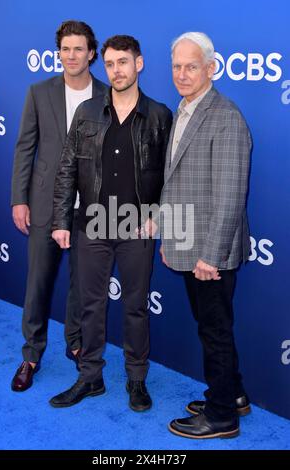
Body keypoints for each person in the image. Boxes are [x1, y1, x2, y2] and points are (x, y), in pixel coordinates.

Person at [49, 35, 172, 411]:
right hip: (91, 224)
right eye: (110, 64)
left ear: (139, 64)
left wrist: (158, 216)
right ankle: (90, 378)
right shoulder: (86, 112)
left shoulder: (159, 116)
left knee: (135, 306)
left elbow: (173, 175)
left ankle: (136, 380)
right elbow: (67, 168)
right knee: (90, 305)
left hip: (136, 226)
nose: (116, 70)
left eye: (123, 62)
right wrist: (60, 220)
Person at [160, 32, 252, 439]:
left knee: (214, 330)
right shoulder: (184, 109)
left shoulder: (225, 116)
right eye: (177, 66)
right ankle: (232, 396)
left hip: (210, 252)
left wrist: (210, 257)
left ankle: (221, 417)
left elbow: (231, 194)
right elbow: (177, 183)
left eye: (191, 66)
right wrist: (168, 236)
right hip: (188, 242)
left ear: (211, 68)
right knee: (212, 326)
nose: (182, 74)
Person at [11, 20, 107, 392]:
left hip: (90, 206)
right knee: (37, 282)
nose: (71, 56)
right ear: (59, 53)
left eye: (78, 49)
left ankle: (76, 343)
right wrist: (19, 198)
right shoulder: (39, 92)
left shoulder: (106, 93)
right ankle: (31, 353)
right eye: (65, 49)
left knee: (83, 284)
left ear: (91, 54)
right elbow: (25, 148)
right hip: (45, 202)